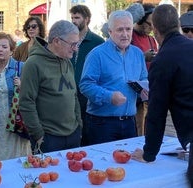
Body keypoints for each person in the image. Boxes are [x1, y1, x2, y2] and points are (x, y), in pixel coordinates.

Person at [131, 5, 193, 187]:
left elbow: (156, 112)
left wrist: (148, 153)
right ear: (179, 25)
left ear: (155, 31)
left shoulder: (163, 60)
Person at [79, 10, 148, 145]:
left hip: (129, 122)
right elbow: (85, 85)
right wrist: (108, 96)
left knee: (130, 164)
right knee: (102, 165)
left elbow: (144, 77)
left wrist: (144, 89)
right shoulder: (97, 54)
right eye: (120, 30)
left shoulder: (138, 54)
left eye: (128, 29)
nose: (125, 34)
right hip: (102, 124)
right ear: (110, 32)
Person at [19, 20, 82, 154]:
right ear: (57, 41)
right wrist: (39, 135)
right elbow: (26, 102)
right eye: (73, 44)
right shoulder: (33, 64)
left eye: (77, 44)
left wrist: (78, 125)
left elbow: (73, 95)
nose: (76, 48)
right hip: (48, 138)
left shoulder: (67, 62)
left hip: (72, 135)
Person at [0, 32, 31, 160]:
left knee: (15, 154)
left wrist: (22, 85)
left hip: (14, 118)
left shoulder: (20, 67)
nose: (0, 50)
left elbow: (31, 93)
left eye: (4, 47)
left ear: (11, 50)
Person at [69, 4, 105, 146]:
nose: (73, 21)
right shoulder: (68, 40)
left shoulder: (97, 42)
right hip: (69, 90)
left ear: (87, 19)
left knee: (87, 129)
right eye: (72, 17)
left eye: (77, 17)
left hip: (87, 92)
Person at [131, 3, 158, 136]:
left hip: (148, 91)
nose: (151, 28)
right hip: (134, 93)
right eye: (149, 24)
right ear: (140, 20)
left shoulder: (151, 39)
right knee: (138, 129)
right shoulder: (129, 37)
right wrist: (143, 57)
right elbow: (124, 60)